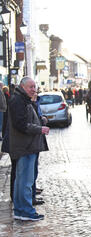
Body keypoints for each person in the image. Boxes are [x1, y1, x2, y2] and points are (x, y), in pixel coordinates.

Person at [8, 77, 49, 221]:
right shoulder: (19, 100)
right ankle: (25, 211)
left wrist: (40, 120)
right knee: (25, 181)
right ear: (22, 86)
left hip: (26, 146)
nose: (34, 89)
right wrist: (40, 128)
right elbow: (21, 125)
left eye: (34, 87)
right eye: (31, 87)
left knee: (21, 180)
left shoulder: (22, 99)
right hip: (25, 146)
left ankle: (20, 210)